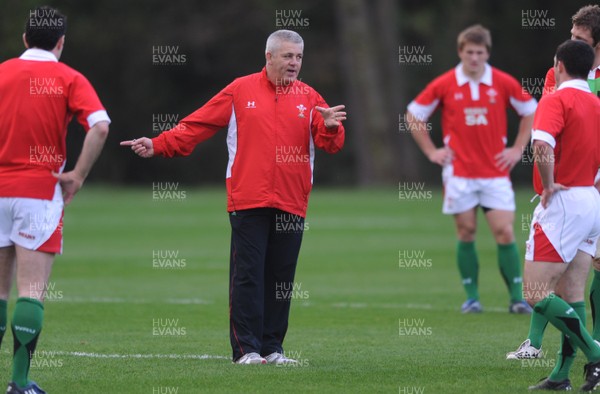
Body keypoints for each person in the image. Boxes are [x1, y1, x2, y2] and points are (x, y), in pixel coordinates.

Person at [121, 29, 345, 365]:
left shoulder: (311, 98)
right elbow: (197, 125)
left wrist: (329, 126)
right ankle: (246, 350)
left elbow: (332, 143)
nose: (294, 63)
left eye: (298, 57)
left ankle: (272, 349)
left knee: (281, 278)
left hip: (291, 201)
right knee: (248, 276)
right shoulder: (240, 90)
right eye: (287, 56)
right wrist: (159, 144)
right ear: (268, 57)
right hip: (248, 198)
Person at [0, 6, 111, 394]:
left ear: (24, 39)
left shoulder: (2, 72)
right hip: (38, 192)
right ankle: (17, 383)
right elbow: (100, 126)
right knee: (30, 290)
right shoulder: (67, 77)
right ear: (61, 43)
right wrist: (77, 175)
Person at [405, 24, 537, 313]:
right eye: (469, 52)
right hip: (459, 173)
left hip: (495, 172)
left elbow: (530, 110)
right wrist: (431, 151)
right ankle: (472, 298)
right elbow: (414, 114)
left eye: (480, 52)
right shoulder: (445, 83)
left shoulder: (502, 82)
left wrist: (517, 149)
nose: (474, 58)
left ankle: (516, 298)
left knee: (504, 232)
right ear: (460, 52)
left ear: (487, 53)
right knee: (466, 231)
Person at [507, 4, 600, 365]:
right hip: (580, 193)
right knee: (567, 284)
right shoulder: (565, 83)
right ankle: (561, 371)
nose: (570, 43)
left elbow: (543, 142)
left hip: (566, 195)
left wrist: (548, 185)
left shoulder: (565, 88)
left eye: (579, 39)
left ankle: (592, 349)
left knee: (541, 286)